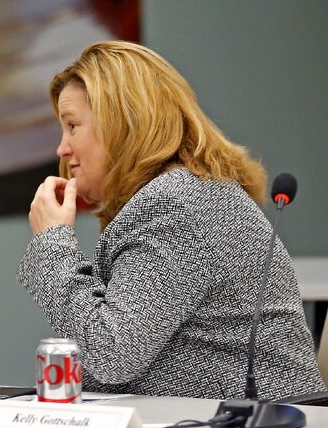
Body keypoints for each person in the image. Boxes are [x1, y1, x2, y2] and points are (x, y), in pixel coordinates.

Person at [18, 40, 325, 399]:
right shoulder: (185, 193)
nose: (62, 148)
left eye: (72, 126)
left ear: (124, 123)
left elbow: (111, 353)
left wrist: (53, 244)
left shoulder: (176, 206)